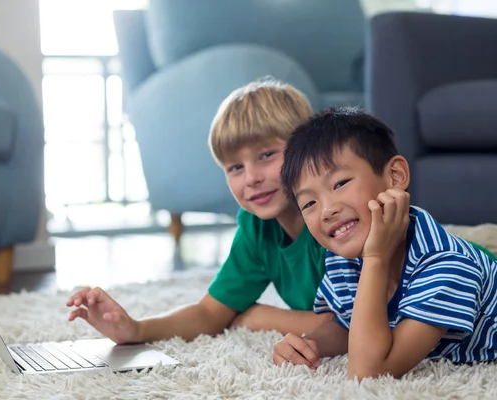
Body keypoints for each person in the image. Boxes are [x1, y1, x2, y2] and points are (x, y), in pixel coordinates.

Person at [65, 80, 333, 344]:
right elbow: (209, 313)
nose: (251, 178)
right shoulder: (257, 226)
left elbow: (354, 326)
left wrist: (259, 318)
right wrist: (136, 330)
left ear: (305, 149)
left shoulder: (335, 216)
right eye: (235, 168)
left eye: (266, 155)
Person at [273, 107, 497, 380]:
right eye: (309, 203)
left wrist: (375, 258)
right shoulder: (342, 257)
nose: (326, 210)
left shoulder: (448, 265)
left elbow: (368, 372)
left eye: (340, 183)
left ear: (395, 176)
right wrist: (308, 345)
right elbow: (346, 325)